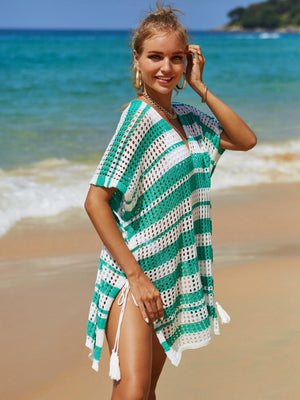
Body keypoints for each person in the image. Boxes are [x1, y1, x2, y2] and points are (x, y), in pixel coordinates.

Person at [84, 3, 257, 399]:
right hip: (134, 278)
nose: (166, 67)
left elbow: (245, 140)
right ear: (138, 60)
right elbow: (95, 201)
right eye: (155, 57)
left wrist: (200, 88)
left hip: (171, 276)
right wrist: (136, 277)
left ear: (187, 62)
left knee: (146, 393)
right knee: (131, 389)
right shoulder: (138, 118)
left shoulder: (191, 120)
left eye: (176, 58)